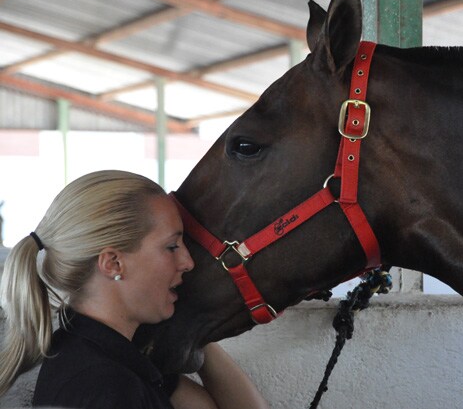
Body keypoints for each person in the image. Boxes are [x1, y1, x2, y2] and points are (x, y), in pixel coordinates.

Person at [0, 170, 269, 409]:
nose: (188, 262)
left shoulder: (112, 356)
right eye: (172, 247)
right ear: (114, 263)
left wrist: (197, 330)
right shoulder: (105, 387)